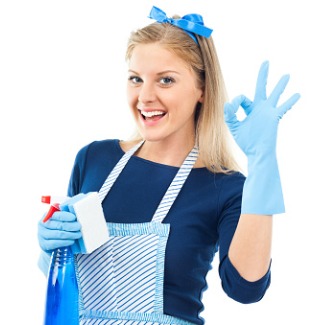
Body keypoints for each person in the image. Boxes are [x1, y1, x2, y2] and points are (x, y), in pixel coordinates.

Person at [37, 5, 300, 325]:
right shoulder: (94, 159)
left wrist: (263, 165)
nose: (145, 96)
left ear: (201, 89)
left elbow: (246, 289)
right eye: (136, 79)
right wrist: (51, 250)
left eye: (165, 80)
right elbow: (67, 279)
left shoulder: (225, 188)